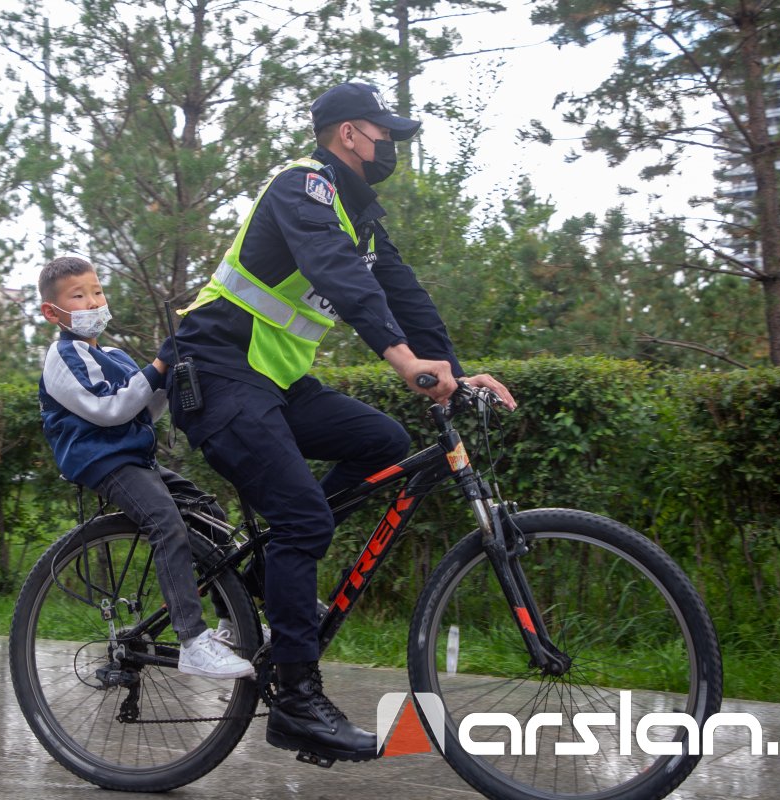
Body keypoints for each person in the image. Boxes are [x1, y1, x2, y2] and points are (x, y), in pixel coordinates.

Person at [159, 82, 516, 760]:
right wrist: (402, 361)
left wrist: (453, 374)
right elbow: (337, 272)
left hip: (274, 382)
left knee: (382, 441)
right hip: (216, 371)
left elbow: (404, 296)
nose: (391, 147)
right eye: (385, 134)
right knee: (304, 519)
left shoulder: (363, 218)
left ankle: (275, 575)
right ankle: (296, 701)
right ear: (350, 133)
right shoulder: (304, 187)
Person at [37, 255, 254, 680]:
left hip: (135, 458)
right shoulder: (62, 357)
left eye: (97, 292)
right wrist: (157, 367)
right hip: (102, 460)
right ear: (52, 311)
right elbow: (110, 409)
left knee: (209, 514)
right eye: (78, 296)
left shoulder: (114, 355)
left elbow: (142, 410)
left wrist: (172, 372)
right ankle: (192, 640)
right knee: (165, 523)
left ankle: (232, 624)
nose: (93, 302)